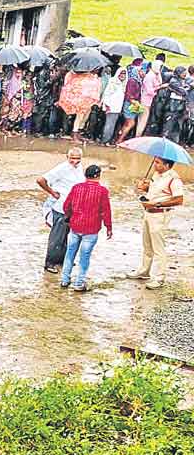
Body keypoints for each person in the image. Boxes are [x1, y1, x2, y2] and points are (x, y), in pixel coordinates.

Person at [127, 157, 185, 290]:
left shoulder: (174, 179)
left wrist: (157, 204)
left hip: (160, 215)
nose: (154, 164)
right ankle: (144, 271)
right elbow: (156, 191)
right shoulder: (156, 174)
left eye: (158, 163)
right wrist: (145, 188)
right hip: (148, 212)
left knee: (158, 248)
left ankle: (159, 278)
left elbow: (179, 200)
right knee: (147, 244)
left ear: (167, 165)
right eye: (155, 161)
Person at [59, 164, 113, 291]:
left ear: (85, 175)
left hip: (75, 226)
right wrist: (109, 227)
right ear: (98, 176)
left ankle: (65, 280)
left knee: (70, 253)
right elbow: (106, 211)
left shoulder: (76, 188)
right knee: (85, 257)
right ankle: (79, 283)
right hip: (91, 229)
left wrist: (69, 217)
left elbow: (66, 206)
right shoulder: (102, 191)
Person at [37, 147, 85, 273]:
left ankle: (61, 260)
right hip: (60, 207)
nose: (75, 161)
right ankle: (50, 263)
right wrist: (52, 193)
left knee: (66, 236)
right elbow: (41, 180)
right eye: (72, 159)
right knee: (57, 236)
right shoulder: (62, 168)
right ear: (67, 157)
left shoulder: (79, 168)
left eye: (78, 159)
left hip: (73, 208)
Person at [100, 68, 127, 145]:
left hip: (118, 108)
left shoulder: (124, 84)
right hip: (111, 106)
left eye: (124, 74)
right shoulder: (112, 81)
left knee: (112, 124)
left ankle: (107, 140)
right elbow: (106, 94)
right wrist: (107, 105)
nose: (122, 75)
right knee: (109, 124)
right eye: (121, 73)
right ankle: (105, 141)